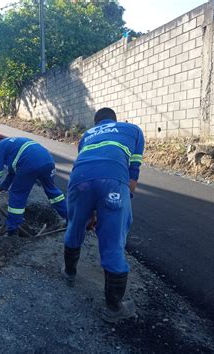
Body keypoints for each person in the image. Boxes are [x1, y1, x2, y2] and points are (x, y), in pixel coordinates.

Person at [62, 107, 145, 323]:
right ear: (114, 120)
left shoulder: (87, 135)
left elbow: (88, 168)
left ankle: (69, 273)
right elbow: (132, 176)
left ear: (96, 122)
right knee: (112, 242)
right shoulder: (133, 130)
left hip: (79, 180)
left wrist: (89, 212)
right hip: (113, 181)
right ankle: (114, 308)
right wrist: (115, 206)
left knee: (75, 226)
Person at [0, 134, 68, 236]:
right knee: (52, 191)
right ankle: (70, 218)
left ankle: (11, 228)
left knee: (17, 194)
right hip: (48, 161)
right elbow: (11, 176)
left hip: (30, 163)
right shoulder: (13, 146)